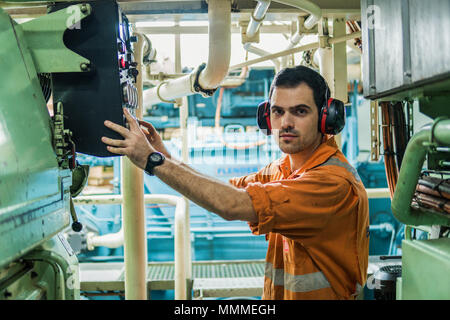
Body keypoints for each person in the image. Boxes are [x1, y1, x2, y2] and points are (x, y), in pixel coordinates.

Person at [102, 66, 369, 300]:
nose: (286, 122)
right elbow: (223, 190)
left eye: (300, 111)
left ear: (326, 118)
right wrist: (165, 157)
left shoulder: (331, 184)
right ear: (267, 117)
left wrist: (152, 160)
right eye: (278, 112)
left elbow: (230, 204)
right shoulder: (285, 169)